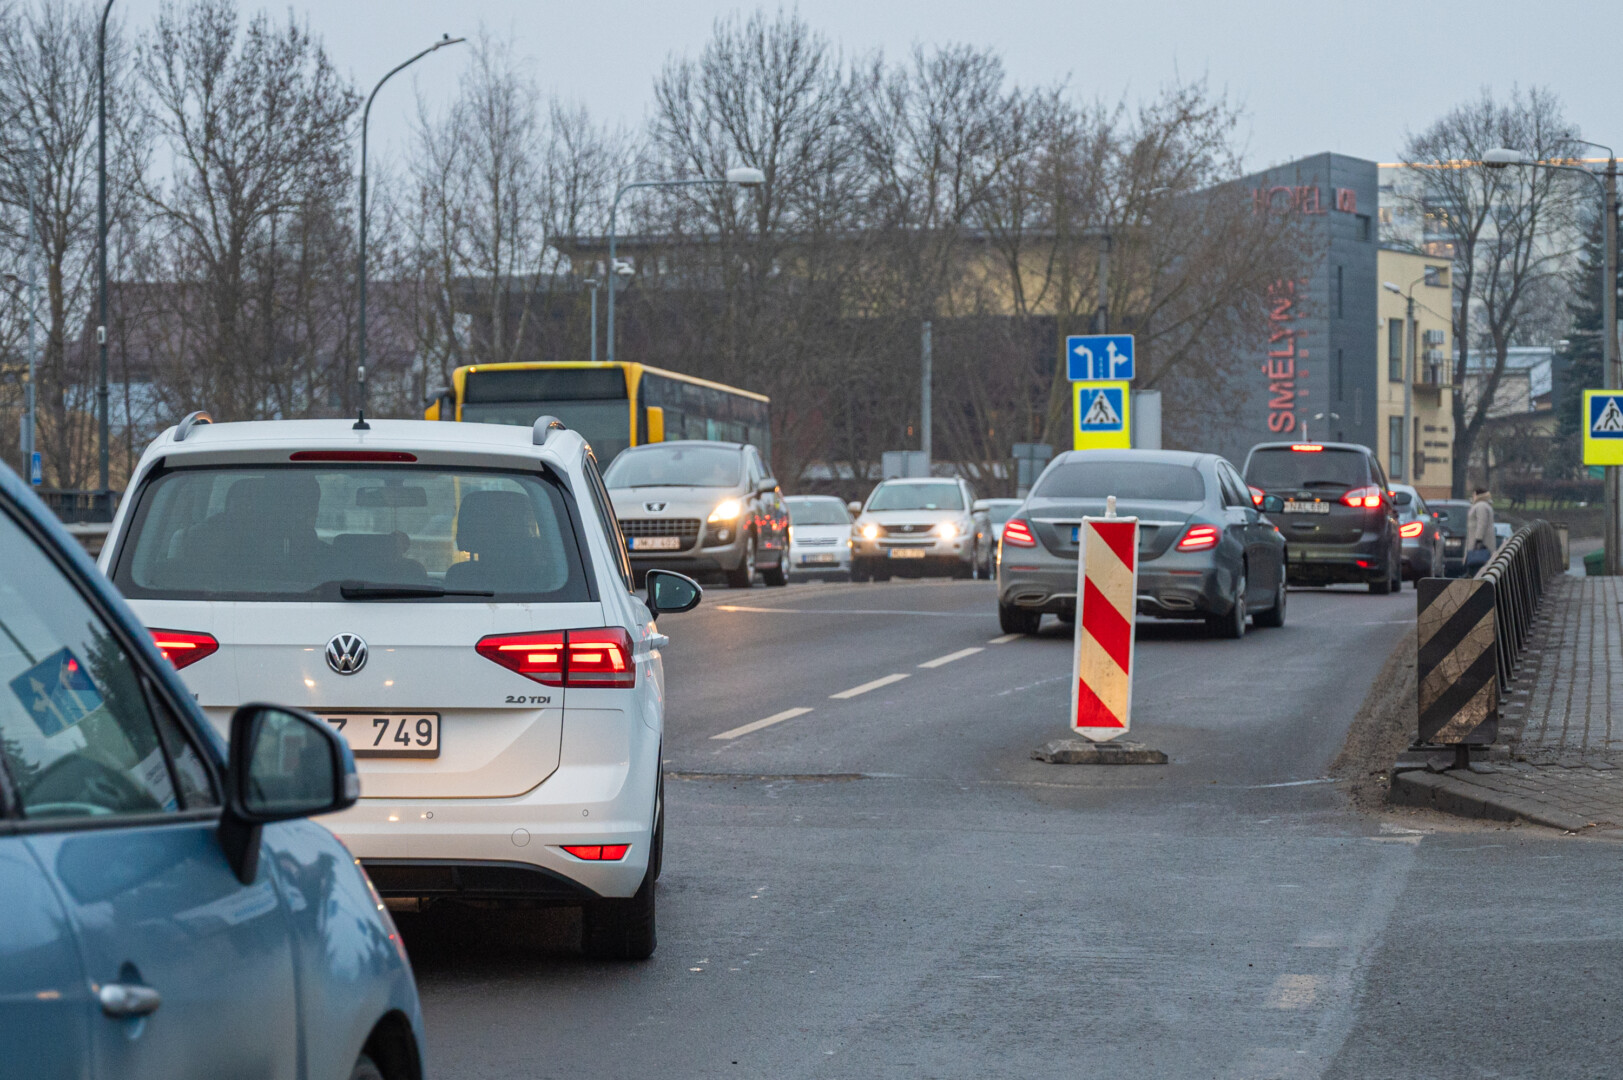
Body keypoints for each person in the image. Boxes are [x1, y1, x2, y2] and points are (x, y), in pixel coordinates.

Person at [1465, 486, 1495, 575]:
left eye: (1473, 494)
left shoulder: (1480, 506)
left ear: (1477, 494)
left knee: (1477, 569)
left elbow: (1481, 523)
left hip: (1479, 545)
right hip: (1481, 544)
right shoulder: (1484, 505)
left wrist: (1478, 539)